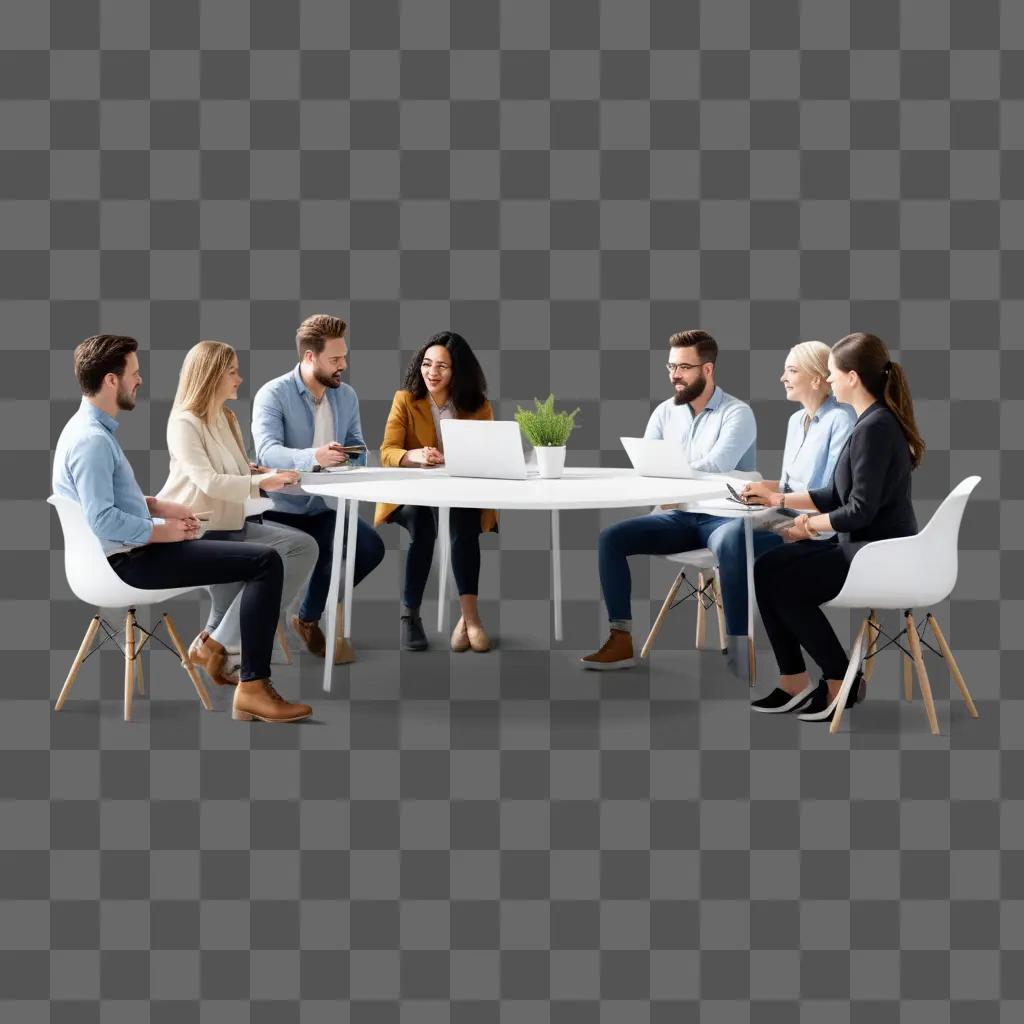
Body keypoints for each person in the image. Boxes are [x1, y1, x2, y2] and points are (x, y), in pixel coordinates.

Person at [53, 334, 311, 723]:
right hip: (128, 562)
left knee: (269, 557)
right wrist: (162, 531)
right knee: (266, 562)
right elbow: (103, 520)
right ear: (111, 380)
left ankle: (233, 662)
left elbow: (109, 501)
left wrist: (157, 506)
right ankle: (253, 688)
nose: (139, 380)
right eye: (134, 373)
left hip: (131, 551)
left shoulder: (91, 432)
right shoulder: (92, 441)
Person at [751, 332, 924, 721]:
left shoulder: (874, 428)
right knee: (766, 568)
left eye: (831, 374)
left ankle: (839, 680)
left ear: (852, 377)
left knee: (785, 583)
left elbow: (859, 510)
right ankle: (793, 680)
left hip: (875, 555)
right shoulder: (871, 422)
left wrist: (808, 527)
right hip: (862, 547)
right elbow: (835, 492)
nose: (828, 381)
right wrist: (779, 501)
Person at [580, 329, 757, 673]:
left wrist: (671, 479)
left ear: (707, 370)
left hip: (723, 515)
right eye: (671, 366)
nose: (675, 375)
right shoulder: (665, 412)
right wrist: (666, 488)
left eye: (684, 367)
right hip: (678, 516)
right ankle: (620, 640)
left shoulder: (738, 413)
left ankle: (740, 650)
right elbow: (647, 466)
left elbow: (716, 466)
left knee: (733, 542)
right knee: (611, 538)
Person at [157, 341, 319, 686]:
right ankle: (222, 648)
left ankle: (216, 645)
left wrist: (254, 472)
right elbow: (209, 481)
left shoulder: (227, 417)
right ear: (211, 375)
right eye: (232, 371)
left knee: (304, 547)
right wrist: (263, 480)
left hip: (231, 525)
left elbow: (232, 471)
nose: (239, 378)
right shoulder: (184, 423)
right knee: (260, 574)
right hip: (197, 530)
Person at [251, 314, 385, 665]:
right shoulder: (273, 394)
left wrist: (349, 457)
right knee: (326, 551)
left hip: (317, 506)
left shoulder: (346, 396)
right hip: (274, 508)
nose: (344, 366)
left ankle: (306, 618)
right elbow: (267, 451)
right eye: (335, 359)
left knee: (369, 548)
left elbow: (359, 446)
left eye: (345, 357)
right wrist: (315, 456)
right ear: (310, 357)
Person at [376, 331, 496, 653]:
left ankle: (470, 619)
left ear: (459, 371)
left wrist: (454, 460)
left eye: (442, 366)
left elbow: (488, 455)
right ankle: (409, 616)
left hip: (459, 490)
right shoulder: (406, 399)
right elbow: (386, 451)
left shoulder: (478, 405)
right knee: (424, 525)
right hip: (410, 493)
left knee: (465, 523)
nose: (432, 372)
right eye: (427, 364)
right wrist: (411, 456)